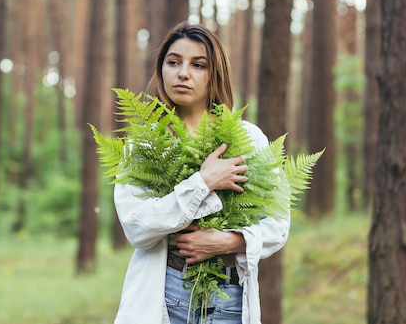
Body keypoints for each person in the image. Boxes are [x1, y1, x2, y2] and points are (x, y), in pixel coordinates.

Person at [112, 22, 290, 324]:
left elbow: (278, 224)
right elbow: (137, 227)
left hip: (229, 301)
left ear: (215, 74)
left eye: (198, 64)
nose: (183, 73)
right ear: (161, 70)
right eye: (173, 62)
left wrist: (230, 241)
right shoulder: (145, 144)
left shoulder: (247, 138)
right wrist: (203, 182)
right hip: (165, 297)